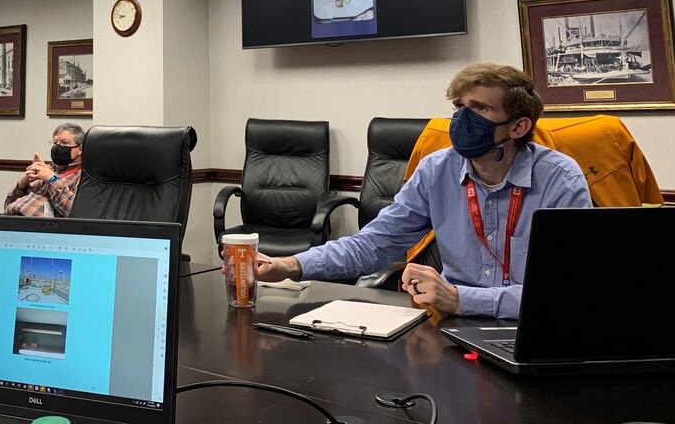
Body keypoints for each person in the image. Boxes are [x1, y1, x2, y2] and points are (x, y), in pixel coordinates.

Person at [254, 63, 592, 318]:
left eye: (480, 109)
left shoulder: (559, 179)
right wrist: (289, 265)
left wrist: (462, 299)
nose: (462, 119)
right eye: (460, 107)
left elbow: (567, 292)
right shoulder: (436, 170)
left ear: (518, 127)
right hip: (454, 327)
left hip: (531, 326)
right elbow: (373, 245)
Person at [4, 123, 84, 217]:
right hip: (12, 219)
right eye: (55, 143)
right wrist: (22, 184)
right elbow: (7, 206)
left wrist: (52, 179)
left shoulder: (83, 177)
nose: (58, 147)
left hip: (39, 227)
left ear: (80, 149)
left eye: (64, 143)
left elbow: (74, 212)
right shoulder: (46, 169)